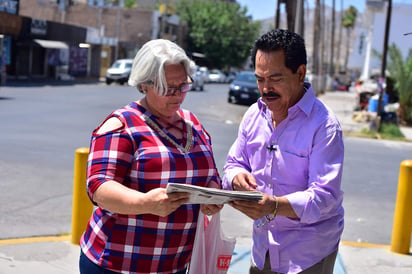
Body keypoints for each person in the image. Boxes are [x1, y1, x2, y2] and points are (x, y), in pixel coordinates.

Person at [79, 39, 222, 274]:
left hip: (174, 264)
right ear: (144, 84)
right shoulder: (122, 124)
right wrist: (145, 203)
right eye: (167, 88)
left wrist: (213, 192)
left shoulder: (193, 123)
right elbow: (98, 186)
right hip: (119, 264)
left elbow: (209, 172)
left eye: (183, 86)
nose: (177, 95)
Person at [222, 29, 344, 274]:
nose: (266, 89)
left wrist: (273, 206)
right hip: (262, 247)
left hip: (308, 256)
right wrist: (236, 177)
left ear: (300, 73)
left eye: (275, 79)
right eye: (259, 79)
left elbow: (324, 198)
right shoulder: (254, 115)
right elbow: (234, 162)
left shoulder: (324, 126)